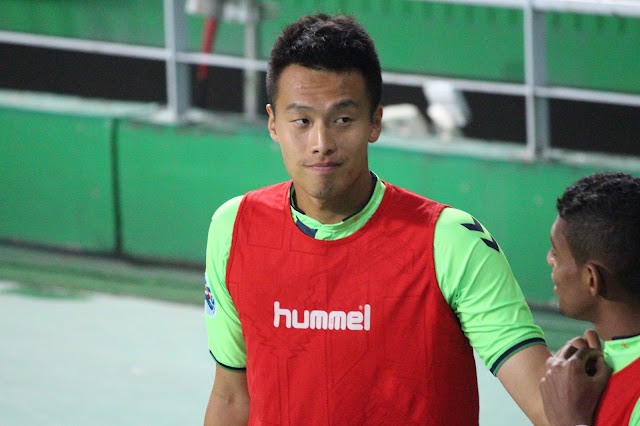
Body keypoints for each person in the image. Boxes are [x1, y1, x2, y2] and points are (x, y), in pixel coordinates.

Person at [203, 13, 552, 425]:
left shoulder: (450, 240)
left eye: (343, 119)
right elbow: (230, 396)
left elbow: (549, 406)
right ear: (273, 123)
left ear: (376, 122)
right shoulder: (235, 226)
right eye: (301, 121)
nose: (321, 143)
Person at [539, 172, 640, 425]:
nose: (549, 259)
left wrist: (567, 420)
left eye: (556, 252)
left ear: (591, 279)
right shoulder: (591, 372)